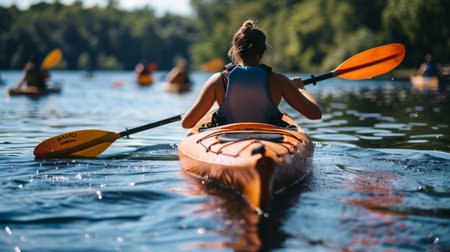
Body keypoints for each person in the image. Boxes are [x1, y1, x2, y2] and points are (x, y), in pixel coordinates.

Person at [181, 20, 322, 129]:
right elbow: (315, 114)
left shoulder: (219, 80)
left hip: (227, 143)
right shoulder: (278, 80)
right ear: (262, 53)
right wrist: (300, 88)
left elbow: (187, 124)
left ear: (236, 52)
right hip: (269, 142)